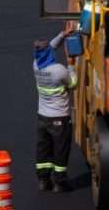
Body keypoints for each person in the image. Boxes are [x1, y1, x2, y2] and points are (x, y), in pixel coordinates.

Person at [34, 25, 78, 193]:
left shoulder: (36, 66)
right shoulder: (59, 70)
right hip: (60, 117)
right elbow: (73, 83)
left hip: (42, 117)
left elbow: (50, 47)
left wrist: (62, 35)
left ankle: (44, 180)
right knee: (60, 149)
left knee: (43, 149)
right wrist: (71, 65)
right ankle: (59, 182)